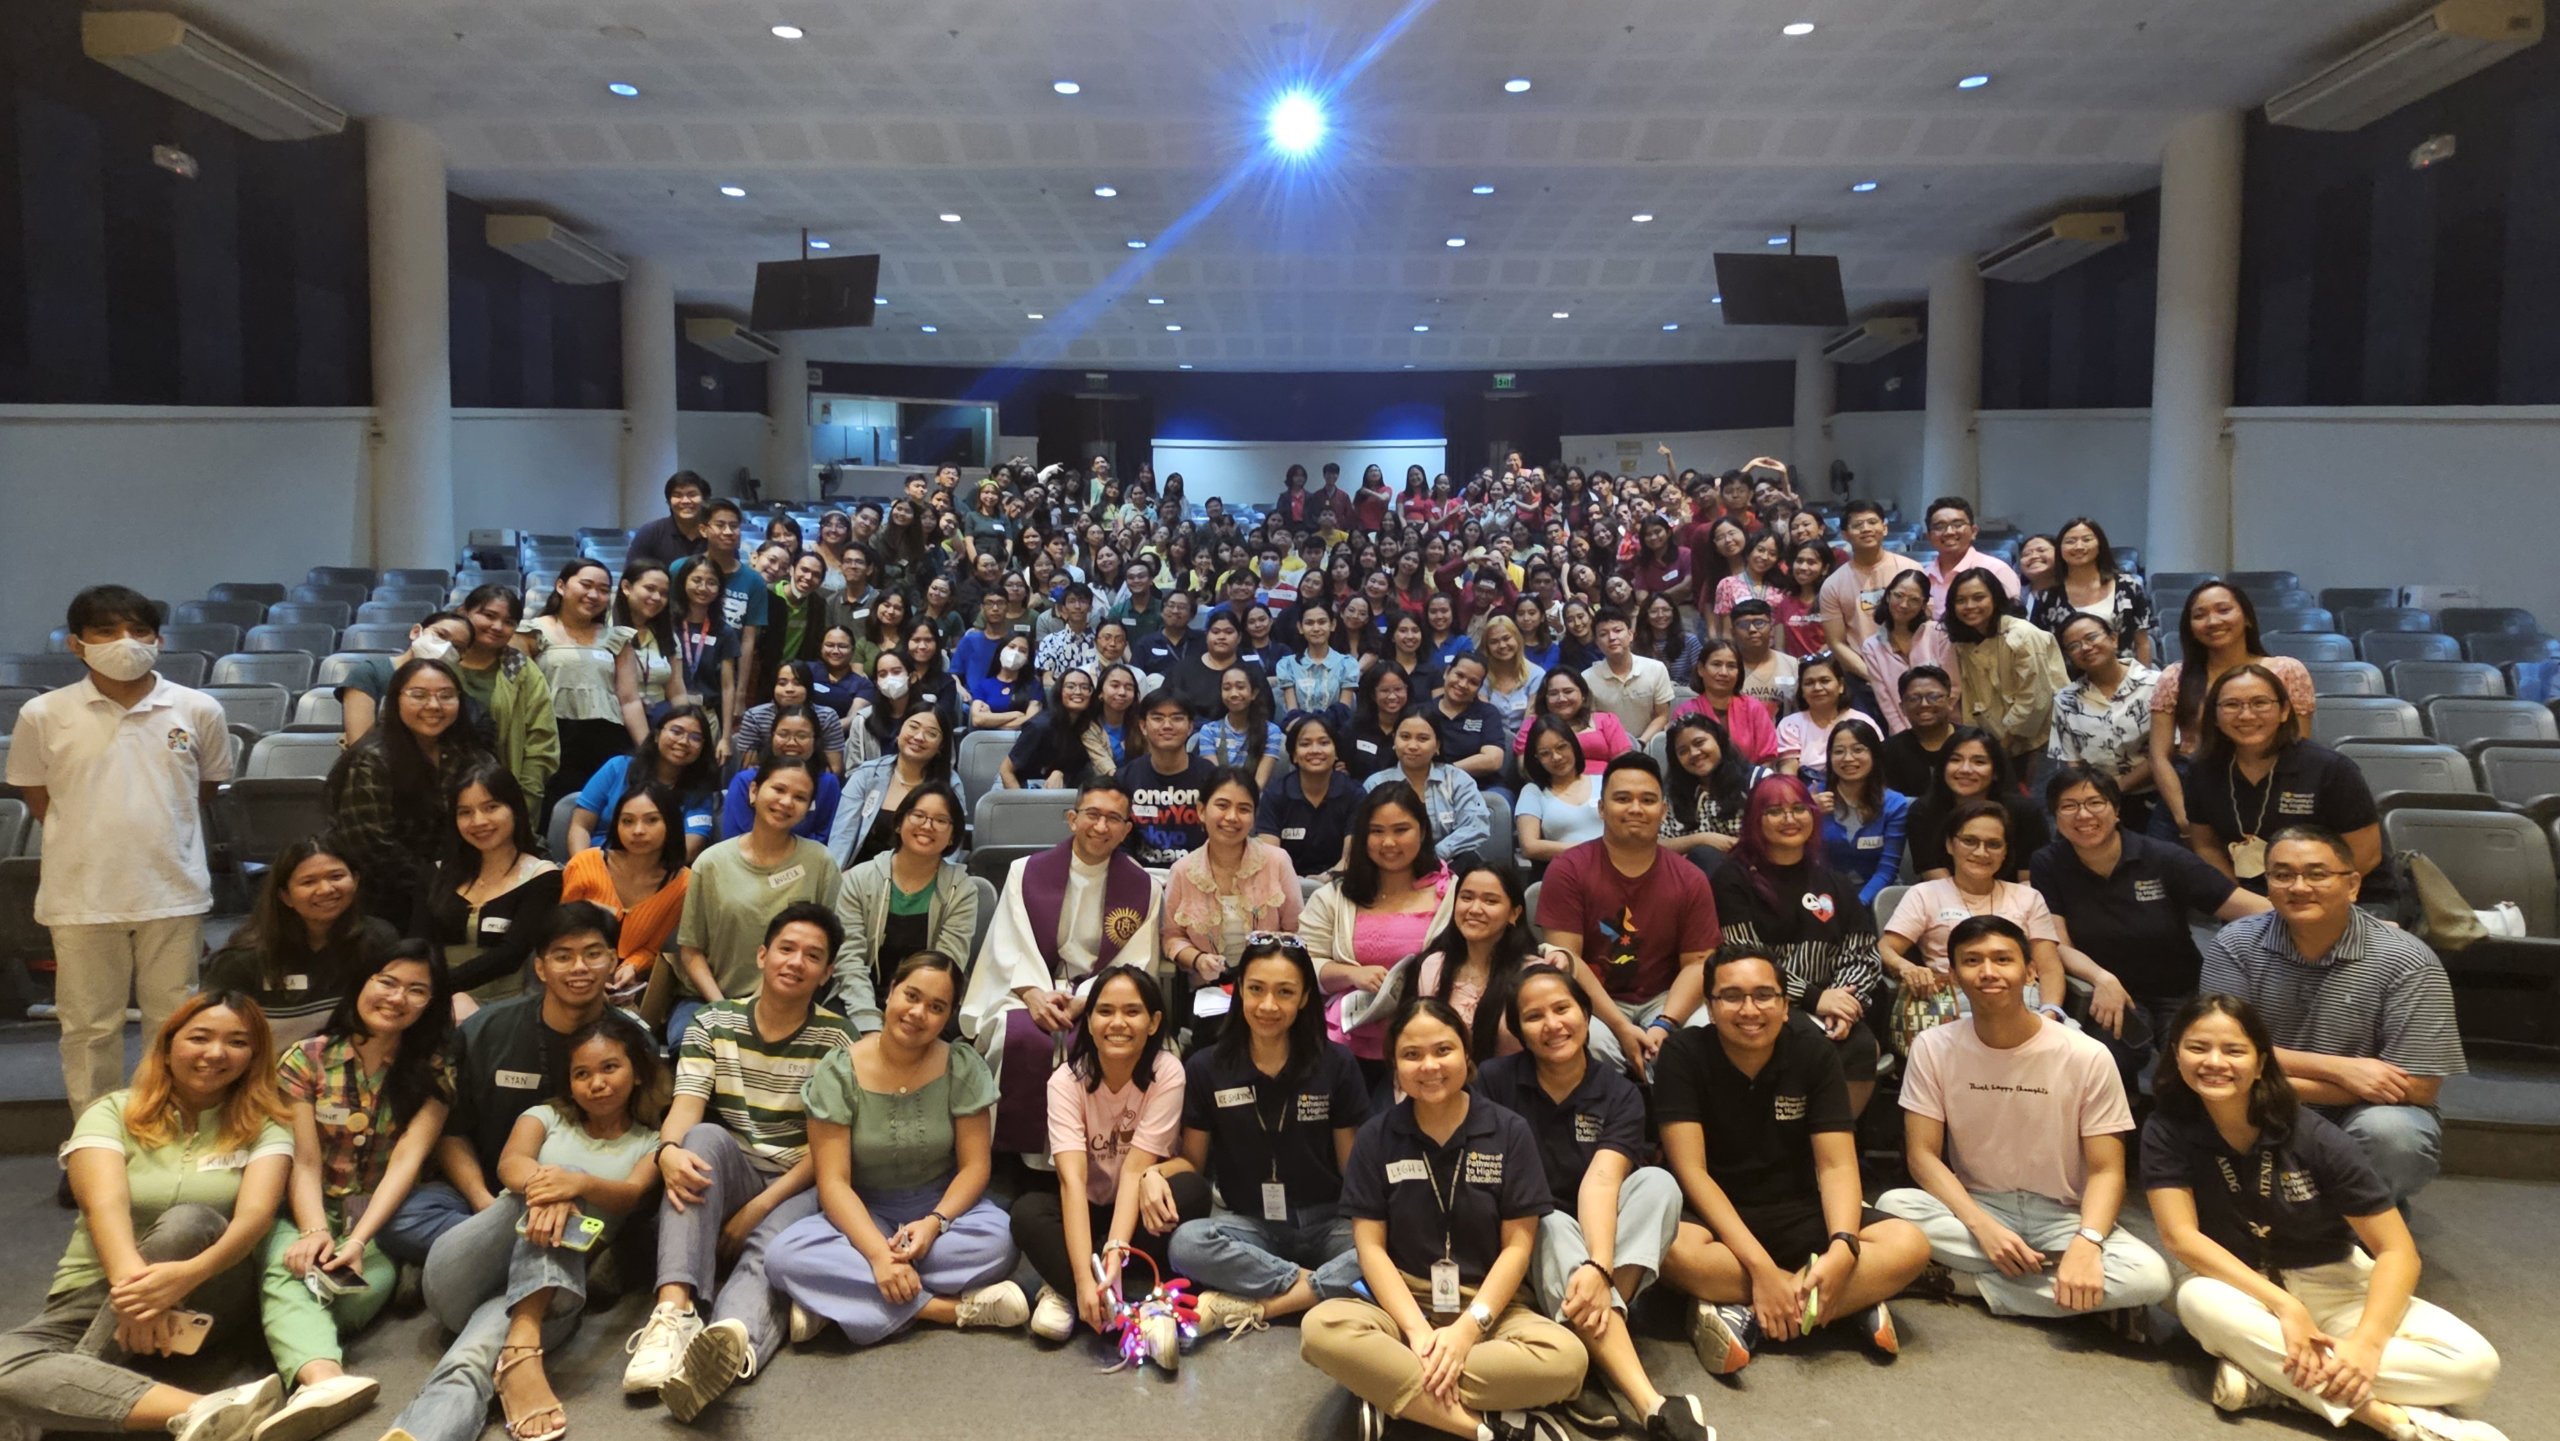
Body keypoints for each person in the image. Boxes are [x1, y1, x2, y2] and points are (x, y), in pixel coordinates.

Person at [2142, 996, 2506, 1441]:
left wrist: (2367, 1347)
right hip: (2236, 1284)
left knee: (2475, 1366)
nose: (2214, 1062)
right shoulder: (2166, 1127)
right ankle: (2384, 1415)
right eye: (2198, 1048)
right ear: (2176, 1053)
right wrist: (2285, 1306)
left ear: (2260, 1063)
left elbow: (2397, 1252)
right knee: (2199, 1304)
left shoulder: (2313, 1135)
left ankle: (2272, 1381)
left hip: (2332, 1280)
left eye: (2234, 1051)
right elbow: (2181, 1239)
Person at [0, 993, 293, 1441]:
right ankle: (219, 1409)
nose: (216, 1053)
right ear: (168, 1044)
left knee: (188, 1222)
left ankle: (65, 1400)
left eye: (237, 1042)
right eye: (200, 1037)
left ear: (254, 1057)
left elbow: (254, 1219)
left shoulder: (266, 1124)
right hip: (96, 1290)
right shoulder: (112, 1111)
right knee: (4, 1363)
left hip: (207, 1290)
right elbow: (104, 1206)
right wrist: (136, 1298)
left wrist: (181, 1278)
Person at [1298, 999, 1587, 1441]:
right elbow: (1370, 1247)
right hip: (1402, 1304)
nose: (1429, 1066)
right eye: (1411, 1055)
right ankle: (1483, 1429)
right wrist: (1417, 1331)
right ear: (1394, 1065)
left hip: (1491, 1306)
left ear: (1466, 1054)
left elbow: (1518, 1246)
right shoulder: (1377, 1136)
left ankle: (1393, 1394)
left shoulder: (1509, 1131)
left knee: (1567, 1360)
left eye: (1443, 1050)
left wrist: (1468, 1330)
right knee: (1321, 1330)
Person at [374, 1011, 663, 1441]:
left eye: (610, 1068)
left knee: (470, 1359)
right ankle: (525, 1344)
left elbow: (630, 1194)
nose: (596, 1082)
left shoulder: (652, 1143)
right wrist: (562, 1187)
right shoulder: (544, 1116)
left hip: (553, 1294)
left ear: (637, 1073)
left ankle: (426, 1431)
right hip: (464, 1273)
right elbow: (511, 1165)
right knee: (549, 1192)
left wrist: (580, 1183)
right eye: (582, 1073)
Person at [6, 585, 234, 1129]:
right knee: (89, 1028)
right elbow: (38, 799)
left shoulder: (198, 708)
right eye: (106, 631)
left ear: (158, 638)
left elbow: (202, 790)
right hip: (81, 894)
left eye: (137, 630)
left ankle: (174, 1127)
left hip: (172, 890)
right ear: (76, 644)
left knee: (176, 1024)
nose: (124, 642)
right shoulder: (43, 714)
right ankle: (94, 1140)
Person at [618, 905, 857, 1420]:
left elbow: (826, 1150)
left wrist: (758, 1209)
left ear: (827, 972)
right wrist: (666, 1154)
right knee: (698, 1139)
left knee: (767, 1251)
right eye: (787, 949)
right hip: (736, 1165)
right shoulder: (714, 1022)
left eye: (813, 956)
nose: (796, 963)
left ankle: (731, 1344)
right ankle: (674, 1313)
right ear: (763, 954)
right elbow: (685, 1108)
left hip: (800, 1180)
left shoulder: (838, 1040)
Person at [1877, 915, 2171, 1330]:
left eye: (2003, 959)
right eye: (1972, 961)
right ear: (1955, 976)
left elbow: (2107, 1171)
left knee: (2150, 1277)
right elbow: (1922, 1157)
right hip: (1976, 1206)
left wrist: (2087, 1243)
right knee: (1893, 1208)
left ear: (2031, 972)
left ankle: (1962, 1283)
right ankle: (2074, 1291)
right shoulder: (1933, 1046)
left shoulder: (2085, 1055)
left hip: (2063, 1215)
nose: (1988, 972)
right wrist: (1984, 1229)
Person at [1655, 949, 1931, 1376]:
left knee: (1910, 1245)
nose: (1750, 1010)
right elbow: (1693, 1172)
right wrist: (1762, 1269)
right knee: (1669, 1251)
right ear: (1709, 1008)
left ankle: (1743, 1310)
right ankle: (1835, 1303)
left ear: (1786, 1005)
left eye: (1765, 995)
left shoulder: (1813, 1051)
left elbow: (1836, 1166)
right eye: (1731, 996)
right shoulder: (1683, 1054)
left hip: (1797, 1208)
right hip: (1716, 1218)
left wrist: (1842, 1246)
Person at [1475, 966, 1705, 1440]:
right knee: (1552, 1223)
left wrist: (1598, 1270)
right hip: (1527, 1234)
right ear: (1518, 1032)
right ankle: (1650, 1402)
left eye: (1562, 1009)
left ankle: (1588, 1352)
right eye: (1534, 1016)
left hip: (1600, 1235)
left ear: (1586, 1014)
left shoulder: (1619, 1092)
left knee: (1660, 1184)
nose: (1552, 1024)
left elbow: (1602, 1181)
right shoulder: (1494, 1082)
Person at [765, 952, 1030, 1344]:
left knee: (999, 1241)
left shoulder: (961, 1065)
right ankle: (947, 1310)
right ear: (890, 992)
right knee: (783, 1257)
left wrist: (934, 1223)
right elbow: (834, 1182)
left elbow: (975, 1168)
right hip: (863, 1214)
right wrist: (878, 1255)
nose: (918, 1013)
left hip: (940, 1216)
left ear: (947, 1017)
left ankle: (838, 1300)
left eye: (936, 1007)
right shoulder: (838, 1071)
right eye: (911, 996)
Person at [2199, 827, 2466, 1206]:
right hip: (2256, 1102)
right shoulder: (2235, 944)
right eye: (2282, 875)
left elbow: (2419, 1086)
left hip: (2357, 1112)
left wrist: (2261, 1078)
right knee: (2204, 1092)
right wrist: (2344, 1070)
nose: (2299, 886)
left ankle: (2357, 1224)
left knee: (2393, 1133)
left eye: (2317, 874)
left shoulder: (2408, 961)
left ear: (2353, 885)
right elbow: (2218, 1052)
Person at [254, 944, 455, 1441]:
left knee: (341, 1298)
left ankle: (304, 1357)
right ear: (362, 982)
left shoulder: (432, 1068)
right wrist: (315, 1230)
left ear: (430, 1004)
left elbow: (407, 1162)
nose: (397, 998)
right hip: (306, 1207)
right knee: (292, 1270)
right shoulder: (307, 1058)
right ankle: (328, 1383)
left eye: (416, 990)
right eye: (386, 981)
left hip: (379, 1220)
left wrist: (358, 1241)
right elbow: (303, 1158)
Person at [1010, 967, 1209, 1361]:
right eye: (1105, 1011)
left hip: (1136, 1208)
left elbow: (1136, 1169)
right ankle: (1089, 1290)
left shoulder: (1167, 1072)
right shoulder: (1066, 1082)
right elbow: (1071, 1180)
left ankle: (1088, 1283)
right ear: (1090, 1020)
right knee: (1026, 1213)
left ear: (1153, 1023)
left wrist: (1114, 1256)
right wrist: (1087, 1279)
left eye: (1132, 1012)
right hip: (1085, 1207)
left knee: (1190, 1194)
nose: (1117, 1023)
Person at [2036, 764, 2270, 1093]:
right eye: (2069, 806)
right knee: (2108, 1061)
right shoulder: (2048, 863)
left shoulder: (2161, 856)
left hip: (2178, 988)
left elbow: (2237, 903)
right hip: (2107, 992)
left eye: (2095, 802)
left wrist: (2310, 913)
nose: (2083, 815)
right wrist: (2102, 978)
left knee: (2187, 1068)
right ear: (2056, 816)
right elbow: (2058, 944)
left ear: (2116, 810)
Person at [964, 780, 1168, 1153]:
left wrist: (1087, 1000)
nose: (1101, 827)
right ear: (1073, 819)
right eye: (1092, 815)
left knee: (1100, 1041)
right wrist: (1034, 996)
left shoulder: (1144, 888)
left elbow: (1135, 964)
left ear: (1126, 830)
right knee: (1019, 1038)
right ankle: (1011, 1156)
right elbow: (1009, 945)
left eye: (1113, 819)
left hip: (1101, 997)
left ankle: (1092, 1158)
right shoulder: (1024, 873)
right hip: (1028, 990)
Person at [1538, 755, 1719, 1076]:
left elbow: (1697, 964)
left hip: (1665, 999)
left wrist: (1664, 1025)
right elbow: (1567, 959)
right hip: (1593, 999)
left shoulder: (1690, 878)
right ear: (1602, 808)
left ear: (1663, 811)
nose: (1636, 808)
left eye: (1648, 800)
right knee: (1586, 1040)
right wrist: (1621, 1027)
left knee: (1705, 1033)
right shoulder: (1568, 869)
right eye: (1622, 799)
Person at [672, 757, 844, 1043]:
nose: (787, 802)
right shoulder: (711, 862)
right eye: (778, 789)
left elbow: (832, 946)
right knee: (692, 1045)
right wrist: (724, 1010)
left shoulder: (820, 862)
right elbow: (691, 950)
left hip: (792, 999)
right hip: (710, 997)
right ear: (754, 792)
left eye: (800, 797)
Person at [2184, 665, 2390, 901]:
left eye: (2260, 703)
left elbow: (2366, 854)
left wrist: (2297, 900)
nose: (2246, 715)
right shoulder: (2201, 770)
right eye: (2232, 705)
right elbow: (2205, 845)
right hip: (2255, 900)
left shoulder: (2332, 769)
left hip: (2345, 896)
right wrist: (2241, 899)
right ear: (2216, 717)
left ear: (2284, 711)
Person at [1882, 798, 2070, 1050]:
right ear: (1950, 844)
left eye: (1993, 844)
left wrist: (2049, 1014)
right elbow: (1886, 948)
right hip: (1955, 1002)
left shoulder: (2028, 897)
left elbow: (2049, 967)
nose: (1981, 852)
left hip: (2024, 1000)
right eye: (1969, 841)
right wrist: (1906, 967)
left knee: (2075, 1052)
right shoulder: (1925, 894)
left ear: (2005, 852)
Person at [1302, 783, 1459, 1068]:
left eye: (1401, 830)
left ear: (1422, 831)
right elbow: (1303, 964)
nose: (1389, 842)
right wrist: (1352, 974)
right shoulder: (1333, 897)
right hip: (1344, 1041)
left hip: (1428, 1043)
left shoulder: (1453, 895)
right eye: (1377, 832)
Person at [2149, 581, 2319, 839]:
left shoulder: (2286, 671)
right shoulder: (2176, 676)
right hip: (2191, 786)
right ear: (2190, 628)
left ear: (2247, 618)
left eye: (2223, 610)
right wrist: (2183, 815)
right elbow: (2159, 755)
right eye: (2200, 615)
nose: (2213, 621)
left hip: (2265, 786)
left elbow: (2298, 748)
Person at [326, 658, 484, 926]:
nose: (434, 706)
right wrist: (439, 887)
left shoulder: (466, 754)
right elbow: (371, 848)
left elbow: (502, 814)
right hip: (384, 901)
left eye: (446, 696)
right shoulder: (372, 759)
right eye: (419, 695)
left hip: (454, 885)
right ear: (395, 700)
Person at [202, 838, 400, 1047]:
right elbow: (210, 1031)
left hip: (351, 1069)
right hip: (270, 1072)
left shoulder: (379, 939)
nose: (326, 889)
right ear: (285, 896)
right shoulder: (242, 959)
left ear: (356, 880)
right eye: (308, 882)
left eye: (336, 876)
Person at [829, 783, 976, 1033]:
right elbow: (848, 958)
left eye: (941, 820)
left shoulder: (961, 890)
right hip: (860, 995)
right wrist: (869, 1023)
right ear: (899, 822)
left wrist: (912, 1012)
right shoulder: (860, 879)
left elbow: (947, 963)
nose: (927, 825)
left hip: (928, 1002)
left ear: (953, 835)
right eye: (918, 815)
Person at [419, 758, 563, 1003]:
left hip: (505, 1007)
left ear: (514, 809)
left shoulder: (542, 876)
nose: (479, 821)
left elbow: (511, 955)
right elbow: (419, 943)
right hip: (433, 1001)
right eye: (465, 812)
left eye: (491, 807)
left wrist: (440, 988)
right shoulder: (434, 872)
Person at [1164, 768, 1304, 993]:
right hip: (1208, 988)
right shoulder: (1182, 871)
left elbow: (1296, 930)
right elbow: (1172, 937)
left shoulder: (1277, 861)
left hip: (1269, 985)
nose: (1232, 817)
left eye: (1244, 809)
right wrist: (1198, 959)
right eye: (1222, 805)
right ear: (1201, 810)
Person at [517, 558, 631, 825]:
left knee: (602, 815)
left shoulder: (617, 638)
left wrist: (647, 748)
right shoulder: (532, 632)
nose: (594, 595)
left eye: (603, 589)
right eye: (586, 585)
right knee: (548, 814)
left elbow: (629, 700)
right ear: (561, 586)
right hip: (551, 736)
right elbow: (518, 695)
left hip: (607, 739)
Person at [557, 782, 691, 1003]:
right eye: (627, 821)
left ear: (670, 823)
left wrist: (632, 966)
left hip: (628, 986)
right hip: (572, 973)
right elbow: (559, 935)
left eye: (652, 820)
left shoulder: (683, 883)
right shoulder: (584, 864)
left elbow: (652, 947)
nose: (638, 830)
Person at [1945, 567, 2068, 777]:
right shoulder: (1965, 642)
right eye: (1960, 600)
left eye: (1978, 598)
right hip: (1998, 743)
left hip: (2041, 741)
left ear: (1995, 598)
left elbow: (2035, 699)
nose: (1969, 606)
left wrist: (2004, 744)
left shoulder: (2023, 635)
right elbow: (1973, 701)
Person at [2047, 612, 2164, 832]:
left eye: (2091, 637)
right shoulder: (2066, 700)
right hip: (2096, 801)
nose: (2085, 647)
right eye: (2073, 646)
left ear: (2114, 639)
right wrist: (2094, 799)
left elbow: (2168, 749)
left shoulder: (2156, 684)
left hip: (2155, 794)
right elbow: (2074, 764)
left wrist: (2117, 788)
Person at [567, 702, 718, 859]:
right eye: (676, 731)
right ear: (657, 735)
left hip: (658, 873)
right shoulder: (617, 767)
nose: (684, 741)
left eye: (695, 738)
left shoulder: (699, 791)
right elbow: (580, 826)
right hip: (597, 864)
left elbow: (690, 848)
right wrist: (583, 869)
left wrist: (643, 875)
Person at [1903, 726, 2048, 881]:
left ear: (1996, 772)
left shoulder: (2026, 813)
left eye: (1979, 762)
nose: (1965, 769)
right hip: (1946, 901)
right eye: (1955, 760)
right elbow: (1935, 878)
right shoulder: (1923, 812)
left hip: (2014, 902)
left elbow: (2029, 882)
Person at [1818, 499, 1924, 694]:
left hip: (1914, 672)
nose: (1866, 529)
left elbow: (1926, 625)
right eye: (1858, 525)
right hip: (1862, 678)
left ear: (1884, 528)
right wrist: (1873, 676)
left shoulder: (1911, 570)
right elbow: (1836, 642)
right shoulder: (1833, 584)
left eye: (1872, 522)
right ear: (1845, 535)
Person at [833, 705, 953, 868]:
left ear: (941, 746)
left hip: (920, 880)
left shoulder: (950, 783)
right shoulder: (867, 774)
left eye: (931, 734)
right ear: (899, 732)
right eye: (913, 727)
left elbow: (951, 848)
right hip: (860, 878)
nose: (919, 737)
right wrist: (835, 882)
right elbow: (842, 835)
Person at [1118, 687, 1218, 869]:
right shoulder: (1125, 777)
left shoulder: (1210, 776)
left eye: (1177, 718)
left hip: (1199, 875)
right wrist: (1140, 878)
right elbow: (1118, 841)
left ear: (1190, 727)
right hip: (1141, 876)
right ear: (1143, 726)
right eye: (1157, 718)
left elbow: (1221, 836)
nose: (1167, 725)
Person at [2031, 518, 2154, 665]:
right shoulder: (2047, 597)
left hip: (2125, 679)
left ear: (2100, 545)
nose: (2079, 546)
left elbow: (2142, 643)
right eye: (2070, 541)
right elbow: (2041, 650)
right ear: (2060, 549)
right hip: (2068, 682)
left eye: (2087, 539)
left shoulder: (2128, 587)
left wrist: (2144, 683)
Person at [1256, 715, 1362, 884]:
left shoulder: (1354, 794)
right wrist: (1297, 884)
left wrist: (1326, 879)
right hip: (1283, 886)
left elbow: (1351, 858)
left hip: (1339, 886)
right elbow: (1269, 856)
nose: (1315, 750)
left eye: (1324, 743)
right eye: (1305, 744)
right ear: (1294, 755)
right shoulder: (1275, 794)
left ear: (1336, 752)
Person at [1819, 719, 1908, 908]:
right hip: (1824, 896)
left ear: (1874, 755)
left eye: (1858, 750)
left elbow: (1887, 869)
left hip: (1877, 897)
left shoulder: (1894, 804)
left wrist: (1857, 905)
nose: (1848, 758)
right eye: (1839, 751)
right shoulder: (1812, 796)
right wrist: (1810, 813)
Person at [720, 707, 842, 842]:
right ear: (772, 736)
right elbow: (734, 837)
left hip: (806, 860)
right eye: (783, 735)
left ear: (815, 740)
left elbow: (827, 836)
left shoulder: (828, 783)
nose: (791, 743)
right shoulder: (745, 781)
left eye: (802, 736)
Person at [609, 558, 690, 747]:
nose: (656, 598)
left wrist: (687, 726)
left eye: (663, 593)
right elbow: (627, 699)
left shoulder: (666, 634)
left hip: (659, 717)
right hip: (616, 719)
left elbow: (677, 691)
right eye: (650, 589)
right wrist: (647, 751)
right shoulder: (606, 630)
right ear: (627, 587)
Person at [1658, 713, 1756, 866]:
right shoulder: (1676, 793)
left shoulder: (1756, 780)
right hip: (1691, 878)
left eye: (1699, 742)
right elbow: (1658, 845)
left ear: (1719, 740)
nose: (1694, 754)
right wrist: (1702, 839)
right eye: (1683, 751)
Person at [727, 660, 849, 774]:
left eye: (797, 683)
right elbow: (750, 767)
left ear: (808, 687)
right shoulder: (754, 716)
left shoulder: (827, 717)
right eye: (782, 683)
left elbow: (834, 768)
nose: (789, 689)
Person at [1769, 654, 1876, 784]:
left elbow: (1876, 768)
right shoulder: (1791, 725)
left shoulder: (1863, 721)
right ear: (1801, 690)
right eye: (1809, 683)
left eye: (1825, 681)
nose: (1817, 688)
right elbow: (1789, 774)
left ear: (1841, 685)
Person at [1516, 717, 1602, 869]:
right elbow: (1529, 846)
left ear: (1574, 746)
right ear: (1537, 758)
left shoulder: (1603, 782)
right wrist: (1590, 851)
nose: (1556, 757)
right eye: (1545, 753)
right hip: (1567, 870)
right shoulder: (1532, 792)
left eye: (1561, 747)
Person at [1675, 637, 1776, 765]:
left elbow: (1768, 758)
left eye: (1731, 666)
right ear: (1701, 669)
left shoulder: (1753, 708)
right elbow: (1682, 760)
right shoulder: (1684, 713)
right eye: (1716, 664)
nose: (1724, 672)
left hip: (1751, 782)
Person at [1581, 609, 1673, 745]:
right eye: (1603, 634)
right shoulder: (1586, 678)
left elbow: (1662, 715)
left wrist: (1640, 743)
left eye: (1617, 630)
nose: (1612, 637)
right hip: (1609, 745)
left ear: (1630, 635)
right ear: (1597, 642)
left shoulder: (1656, 669)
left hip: (1649, 742)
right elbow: (1592, 722)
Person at [1915, 496, 2020, 614]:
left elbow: (2012, 622)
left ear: (1973, 531)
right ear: (1929, 537)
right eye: (1939, 526)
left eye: (1958, 524)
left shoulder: (1996, 570)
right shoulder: (1923, 577)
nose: (1949, 532)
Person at [1521, 668, 1633, 776]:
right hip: (1554, 788)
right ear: (1545, 698)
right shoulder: (1532, 726)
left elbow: (1624, 763)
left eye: (1568, 691)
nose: (1561, 699)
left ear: (1583, 695)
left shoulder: (1606, 720)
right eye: (1553, 693)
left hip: (1605, 786)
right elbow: (1526, 769)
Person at [1876, 664, 1957, 798]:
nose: (1924, 704)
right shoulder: (1887, 752)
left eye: (1934, 697)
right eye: (1914, 699)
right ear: (1902, 707)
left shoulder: (1972, 742)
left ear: (1950, 702)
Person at [1194, 666, 1283, 787]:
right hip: (1219, 796)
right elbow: (1214, 779)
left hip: (1254, 800)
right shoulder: (1209, 731)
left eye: (1240, 687)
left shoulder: (1271, 731)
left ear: (1253, 693)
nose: (1234, 694)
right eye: (1227, 688)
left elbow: (1260, 783)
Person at [1277, 600, 1362, 724]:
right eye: (1309, 623)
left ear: (1332, 625)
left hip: (1336, 730)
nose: (1316, 628)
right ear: (1300, 628)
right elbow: (1292, 712)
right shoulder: (1287, 665)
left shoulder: (1348, 664)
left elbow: (1344, 711)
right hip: (1300, 730)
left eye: (1322, 622)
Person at [630, 471, 713, 569]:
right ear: (668, 502)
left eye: (692, 495)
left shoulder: (715, 533)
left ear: (705, 499)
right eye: (678, 495)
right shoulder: (650, 533)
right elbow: (632, 576)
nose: (685, 501)